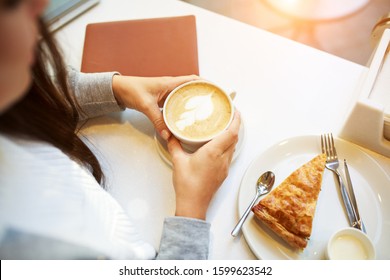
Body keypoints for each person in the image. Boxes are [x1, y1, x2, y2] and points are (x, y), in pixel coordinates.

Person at [0, 0, 241, 259]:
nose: (42, 3)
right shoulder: (24, 244)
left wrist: (117, 88)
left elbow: (35, 91)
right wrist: (192, 207)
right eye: (9, 4)